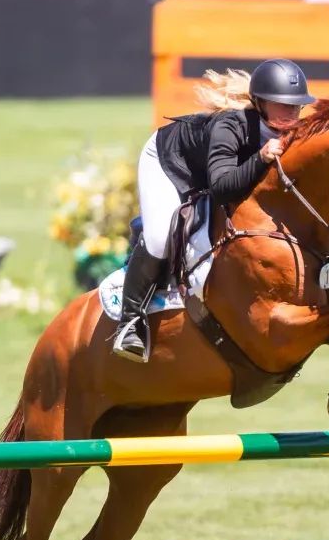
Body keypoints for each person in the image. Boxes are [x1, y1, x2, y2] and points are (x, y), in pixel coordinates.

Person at [110, 58, 316, 362]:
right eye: (282, 104)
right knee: (160, 238)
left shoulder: (294, 134)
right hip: (169, 163)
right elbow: (221, 188)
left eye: (296, 106)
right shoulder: (229, 126)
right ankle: (130, 322)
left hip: (209, 171)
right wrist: (260, 158)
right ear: (260, 103)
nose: (291, 112)